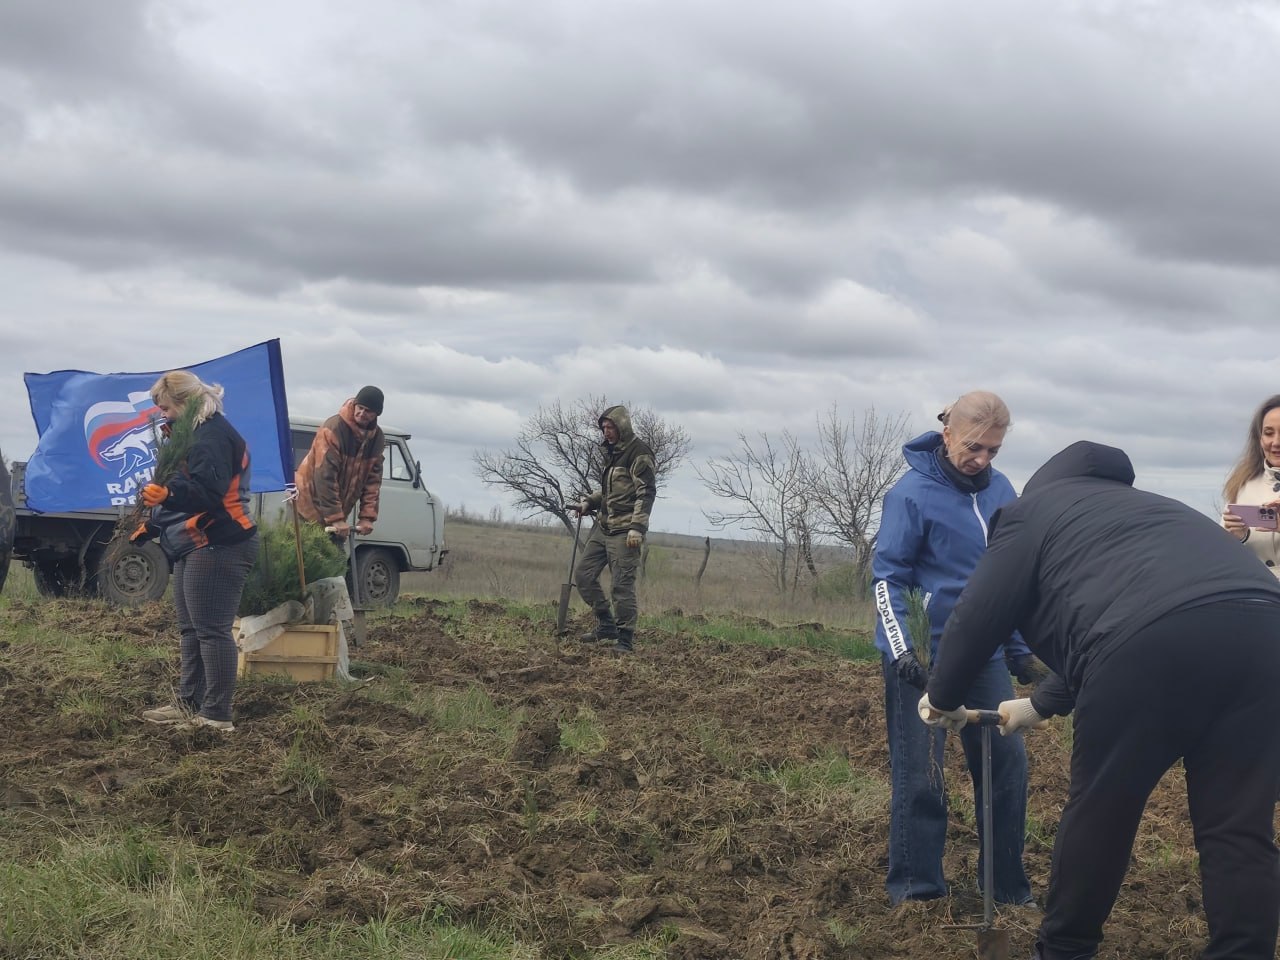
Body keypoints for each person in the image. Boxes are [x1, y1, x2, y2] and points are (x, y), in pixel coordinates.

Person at [920, 440, 1280, 960]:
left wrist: (944, 694)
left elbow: (981, 610)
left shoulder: (1032, 511)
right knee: (1238, 826)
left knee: (1103, 808)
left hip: (1150, 649)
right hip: (1266, 637)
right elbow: (1142, 608)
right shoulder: (1157, 511)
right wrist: (1041, 703)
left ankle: (1065, 949)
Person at [872, 390, 1035, 906]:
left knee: (1007, 765)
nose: (982, 459)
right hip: (922, 656)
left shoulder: (1003, 491)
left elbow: (1006, 579)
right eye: (973, 447)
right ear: (947, 434)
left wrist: (1017, 648)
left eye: (993, 449)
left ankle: (1006, 889)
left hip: (983, 656)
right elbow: (887, 579)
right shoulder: (910, 494)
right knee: (922, 775)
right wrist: (904, 651)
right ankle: (918, 893)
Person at [133, 371, 260, 733]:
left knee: (212, 630)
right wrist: (155, 523)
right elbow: (184, 489)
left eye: (167, 408)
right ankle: (188, 703)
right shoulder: (192, 435)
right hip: (194, 540)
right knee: (191, 629)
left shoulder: (213, 436)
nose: (163, 416)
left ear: (186, 404)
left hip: (221, 542)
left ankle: (217, 715)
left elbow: (209, 493)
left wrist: (169, 496)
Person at [571, 405, 657, 654]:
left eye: (610, 427)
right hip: (604, 526)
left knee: (621, 586)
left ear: (622, 426)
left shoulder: (639, 453)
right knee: (584, 576)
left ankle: (625, 639)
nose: (606, 432)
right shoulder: (612, 453)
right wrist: (589, 502)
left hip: (625, 531)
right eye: (603, 428)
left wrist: (637, 528)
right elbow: (611, 492)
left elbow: (646, 492)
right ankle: (606, 624)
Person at [294, 386, 386, 540]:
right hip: (306, 505)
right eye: (360, 407)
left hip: (336, 511)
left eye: (368, 411)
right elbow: (325, 476)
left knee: (335, 559)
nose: (362, 413)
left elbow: (373, 483)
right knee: (305, 557)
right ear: (354, 405)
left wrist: (367, 517)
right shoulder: (333, 429)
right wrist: (335, 518)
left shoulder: (377, 439)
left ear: (376, 414)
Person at [1221, 393, 1280, 577]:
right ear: (1259, 438)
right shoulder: (1241, 485)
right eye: (1269, 433)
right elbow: (1224, 555)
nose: (1276, 442)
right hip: (1258, 595)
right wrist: (1239, 538)